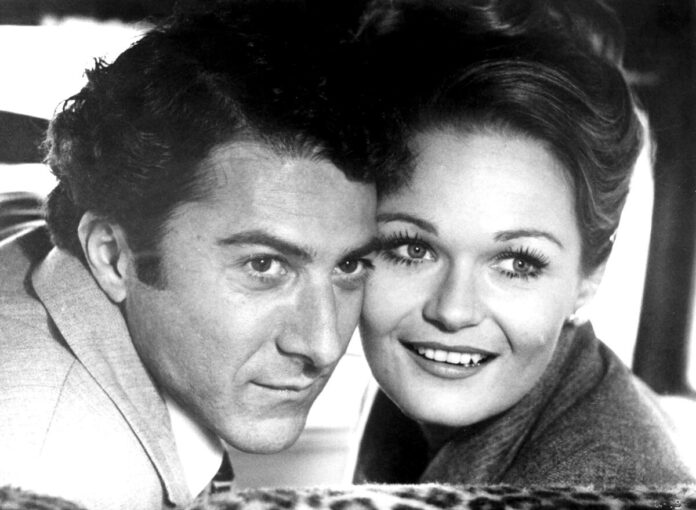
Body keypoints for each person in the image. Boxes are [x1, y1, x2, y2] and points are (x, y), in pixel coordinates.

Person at [0, 2, 389, 509]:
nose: (324, 345)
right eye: (263, 265)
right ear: (113, 255)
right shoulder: (74, 477)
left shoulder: (39, 244)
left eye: (348, 265)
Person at [353, 0, 695, 487]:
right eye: (413, 249)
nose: (453, 312)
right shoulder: (419, 394)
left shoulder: (599, 483)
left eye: (516, 263)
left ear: (590, 276)